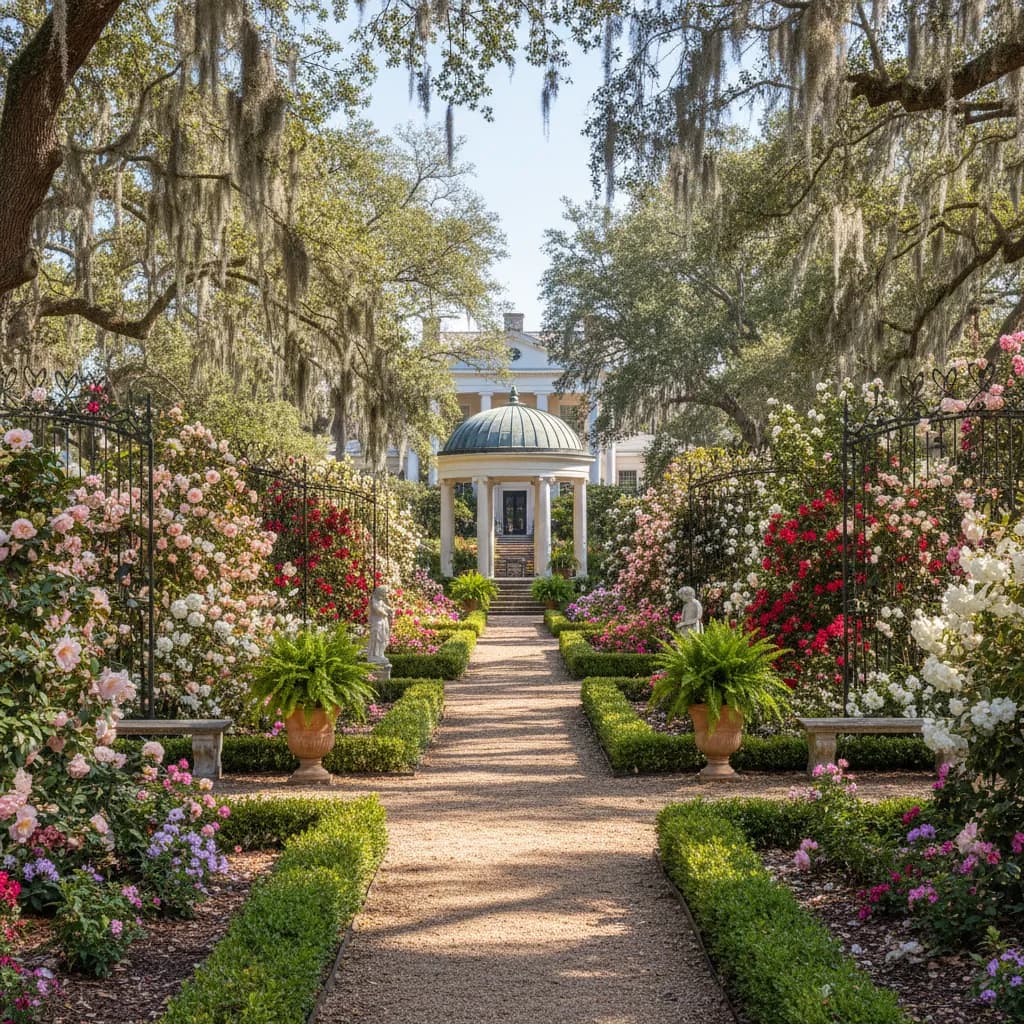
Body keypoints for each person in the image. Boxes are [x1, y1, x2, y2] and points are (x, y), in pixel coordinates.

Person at [367, 586, 394, 665]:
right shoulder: (374, 600)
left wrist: (389, 609)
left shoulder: (380, 600)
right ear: (380, 592)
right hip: (377, 622)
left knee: (383, 637)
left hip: (383, 622)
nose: (386, 594)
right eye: (385, 592)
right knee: (377, 638)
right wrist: (385, 612)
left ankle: (380, 654)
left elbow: (385, 607)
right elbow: (377, 610)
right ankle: (374, 655)